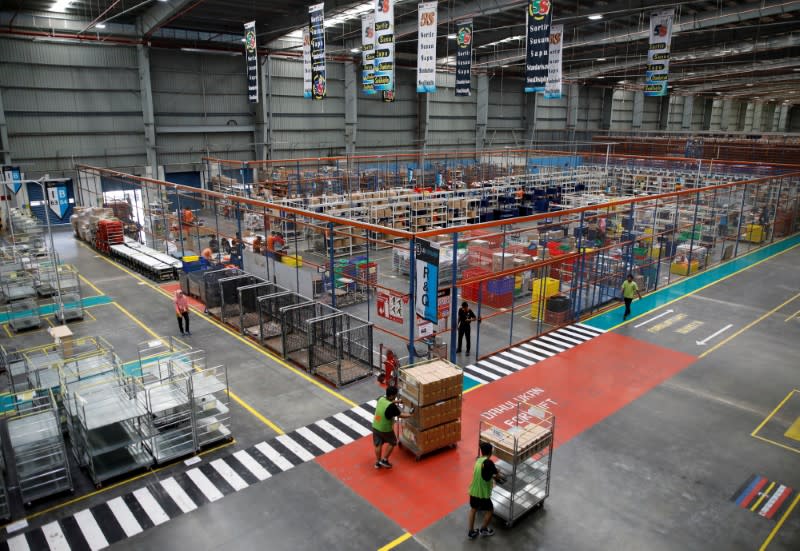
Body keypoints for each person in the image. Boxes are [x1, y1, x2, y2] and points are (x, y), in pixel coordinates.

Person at [467, 441, 505, 539]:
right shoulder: (489, 462)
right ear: (490, 452)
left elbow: (485, 473)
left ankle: (471, 532)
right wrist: (499, 476)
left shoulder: (478, 460)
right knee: (490, 510)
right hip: (482, 493)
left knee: (473, 509)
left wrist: (493, 474)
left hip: (473, 490)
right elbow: (497, 475)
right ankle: (483, 529)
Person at [372, 385, 411, 469]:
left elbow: (388, 401)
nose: (396, 397)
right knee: (393, 442)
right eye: (395, 396)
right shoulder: (391, 407)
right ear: (392, 395)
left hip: (375, 425)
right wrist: (410, 414)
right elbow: (400, 415)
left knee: (378, 444)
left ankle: (378, 463)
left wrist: (397, 401)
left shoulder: (381, 398)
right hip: (385, 428)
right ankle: (385, 460)